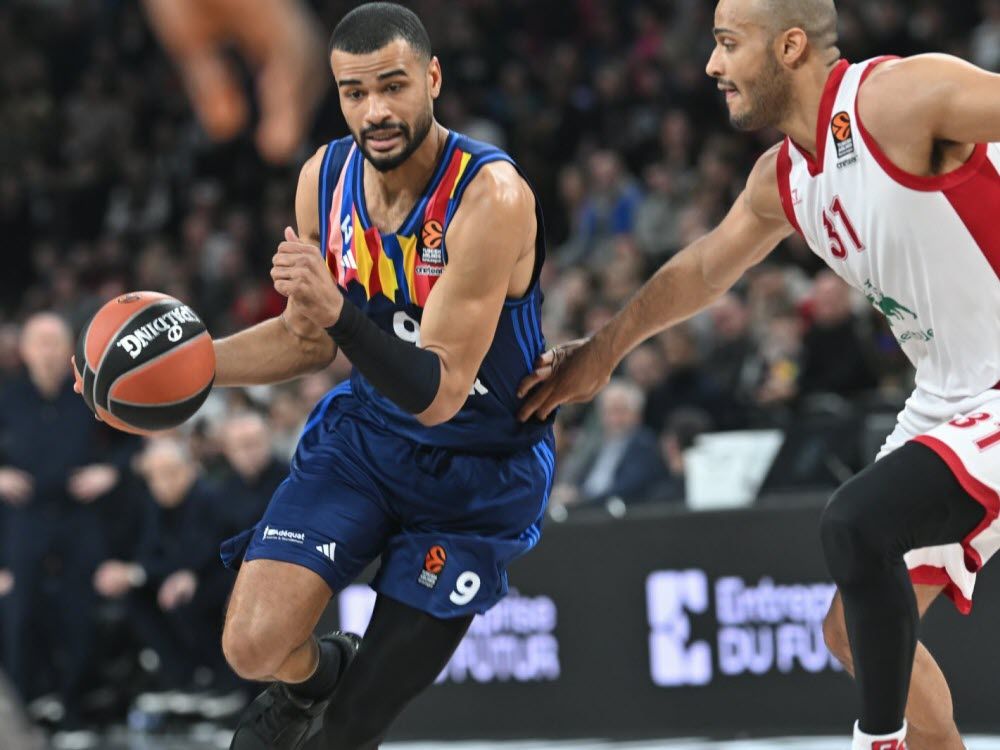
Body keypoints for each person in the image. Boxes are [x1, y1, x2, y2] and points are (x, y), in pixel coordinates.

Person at [517, 1, 1000, 748]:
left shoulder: (899, 99)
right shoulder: (784, 180)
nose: (710, 65)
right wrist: (604, 351)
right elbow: (704, 269)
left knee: (856, 522)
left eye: (727, 43)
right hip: (948, 394)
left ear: (791, 46)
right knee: (852, 631)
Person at [136, 4, 554, 748]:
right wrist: (182, 372)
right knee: (254, 647)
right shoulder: (323, 178)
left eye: (392, 87)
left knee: (350, 731)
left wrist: (339, 314)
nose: (375, 110)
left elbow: (439, 391)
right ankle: (319, 675)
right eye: (355, 93)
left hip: (475, 473)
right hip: (365, 443)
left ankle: (341, 701)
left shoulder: (491, 197)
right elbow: (304, 341)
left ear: (432, 79)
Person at [1, 313, 136, 739]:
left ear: (69, 349)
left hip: (80, 517)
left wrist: (109, 472)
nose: (47, 350)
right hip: (26, 516)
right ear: (23, 350)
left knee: (80, 613)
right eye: (38, 342)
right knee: (21, 613)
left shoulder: (90, 395)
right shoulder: (8, 398)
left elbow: (131, 440)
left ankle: (75, 710)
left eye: (55, 341)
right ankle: (23, 714)